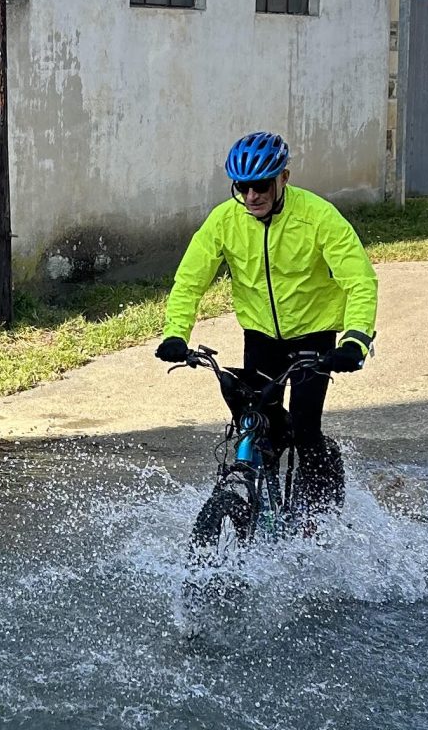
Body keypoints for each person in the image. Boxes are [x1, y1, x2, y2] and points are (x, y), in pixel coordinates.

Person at [154, 131, 376, 510]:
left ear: (283, 178)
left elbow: (360, 281)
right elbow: (190, 280)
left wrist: (355, 340)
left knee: (306, 431)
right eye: (242, 187)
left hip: (314, 337)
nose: (252, 196)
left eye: (261, 186)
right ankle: (262, 508)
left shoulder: (318, 217)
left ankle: (318, 519)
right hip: (260, 337)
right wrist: (175, 333)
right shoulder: (225, 221)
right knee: (257, 425)